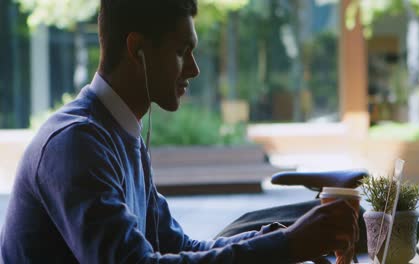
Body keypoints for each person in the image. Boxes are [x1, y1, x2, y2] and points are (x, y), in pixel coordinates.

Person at [0, 0, 358, 263]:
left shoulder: (122, 134)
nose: (195, 69)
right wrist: (289, 245)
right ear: (136, 49)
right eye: (182, 51)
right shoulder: (75, 143)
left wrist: (283, 237)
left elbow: (179, 246)